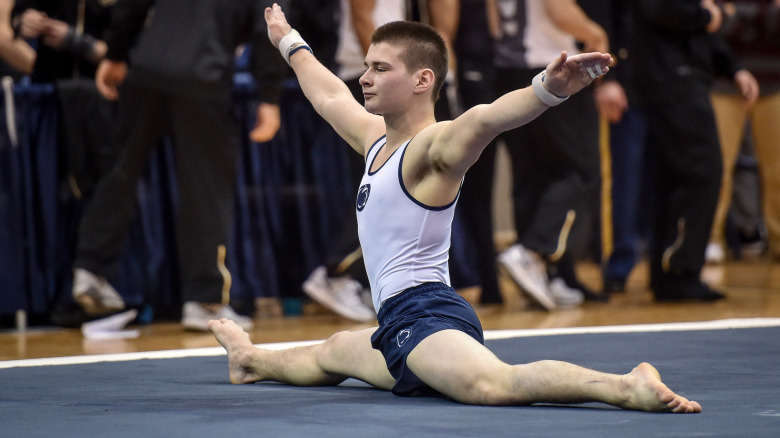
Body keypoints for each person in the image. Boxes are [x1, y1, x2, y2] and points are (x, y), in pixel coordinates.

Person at [209, 3, 702, 414]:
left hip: (426, 314)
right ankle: (249, 359)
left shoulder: (433, 149)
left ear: (423, 79)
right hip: (398, 319)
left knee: (494, 385)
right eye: (367, 66)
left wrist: (547, 90)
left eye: (381, 68)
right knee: (334, 351)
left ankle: (624, 386)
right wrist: (288, 40)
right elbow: (328, 94)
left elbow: (486, 120)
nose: (365, 78)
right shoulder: (374, 139)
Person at [70, 0, 285, 331]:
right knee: (207, 189)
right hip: (202, 76)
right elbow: (269, 23)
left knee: (121, 172)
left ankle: (89, 270)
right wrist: (269, 96)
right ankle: (205, 300)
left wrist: (115, 54)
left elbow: (131, 8)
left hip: (147, 68)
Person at [493, 0, 610, 309]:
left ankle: (552, 274)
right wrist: (593, 32)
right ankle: (531, 252)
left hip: (507, 70)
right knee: (580, 171)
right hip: (554, 67)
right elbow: (558, 9)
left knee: (532, 175)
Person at [630, 0, 744, 301]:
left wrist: (734, 67)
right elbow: (659, 9)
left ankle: (669, 275)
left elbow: (702, 29)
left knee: (674, 179)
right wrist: (707, 13)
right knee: (702, 172)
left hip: (679, 76)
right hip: (672, 78)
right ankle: (680, 270)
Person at [300, 0, 405, 323]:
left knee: (387, 185)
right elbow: (362, 16)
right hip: (365, 83)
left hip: (373, 81)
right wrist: (384, 77)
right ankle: (337, 273)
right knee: (384, 187)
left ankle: (358, 278)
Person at [706, 0, 776, 263]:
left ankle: (776, 238)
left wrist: (739, 15)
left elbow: (773, 24)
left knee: (777, 169)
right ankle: (710, 237)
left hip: (773, 82)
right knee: (717, 164)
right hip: (724, 83)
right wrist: (762, 16)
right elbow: (715, 25)